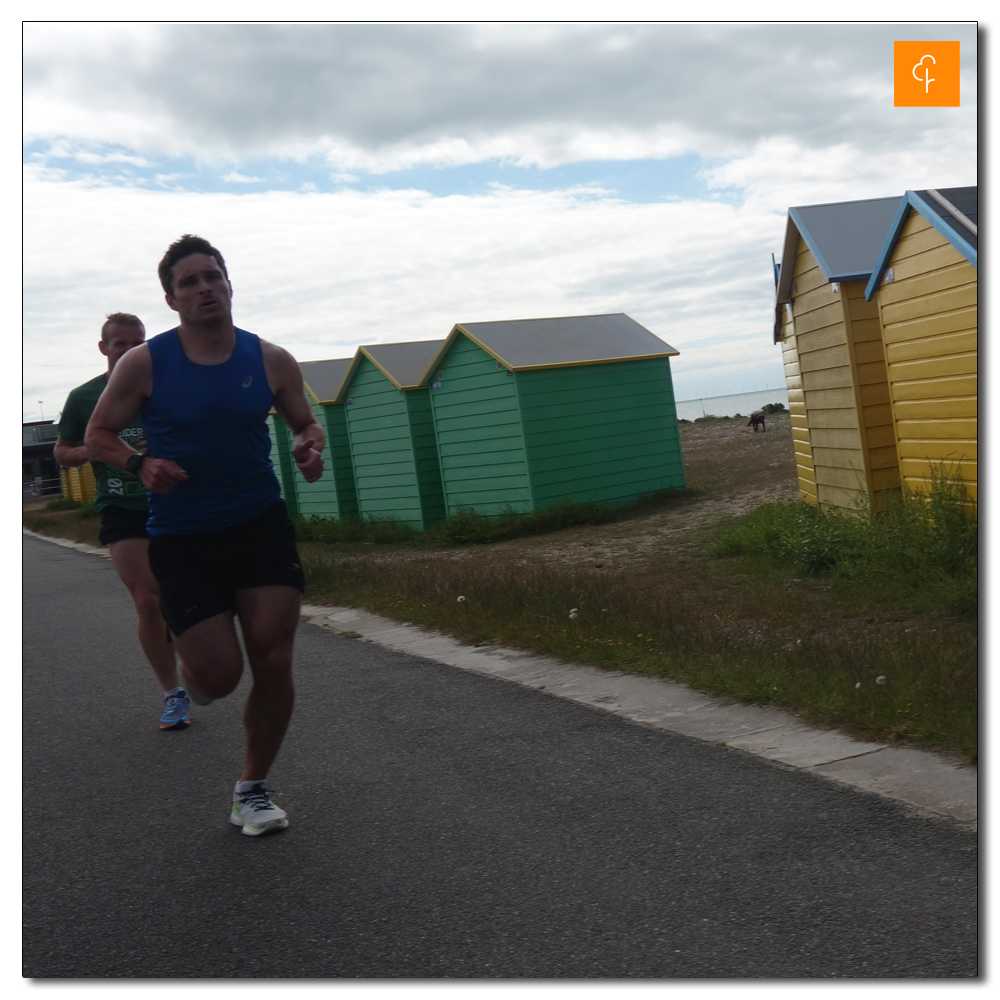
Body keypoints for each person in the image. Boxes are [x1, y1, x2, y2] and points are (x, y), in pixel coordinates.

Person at [85, 235, 325, 837]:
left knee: (274, 656)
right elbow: (98, 435)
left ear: (229, 283)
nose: (204, 288)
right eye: (189, 282)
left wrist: (308, 444)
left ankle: (252, 789)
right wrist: (139, 465)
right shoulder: (146, 363)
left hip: (258, 523)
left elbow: (304, 420)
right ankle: (192, 669)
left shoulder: (270, 359)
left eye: (212, 275)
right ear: (172, 300)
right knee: (218, 676)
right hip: (184, 536)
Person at [55, 313, 190, 730]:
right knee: (148, 600)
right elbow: (62, 451)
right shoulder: (84, 397)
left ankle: (198, 661)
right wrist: (89, 453)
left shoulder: (164, 387)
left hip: (170, 503)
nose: (130, 350)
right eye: (121, 344)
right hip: (119, 506)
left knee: (180, 598)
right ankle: (173, 693)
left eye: (138, 342)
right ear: (104, 348)